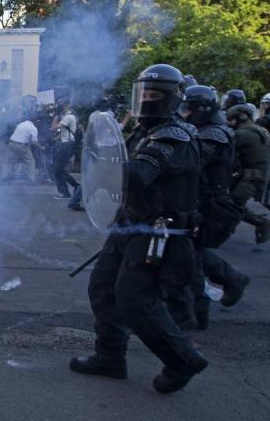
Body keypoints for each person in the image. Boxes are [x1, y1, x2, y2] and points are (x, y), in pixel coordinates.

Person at [71, 64, 208, 394]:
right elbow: (117, 165)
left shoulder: (174, 136)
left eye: (154, 95)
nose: (146, 100)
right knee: (102, 288)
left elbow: (136, 175)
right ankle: (109, 358)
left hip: (159, 232)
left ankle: (182, 359)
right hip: (130, 225)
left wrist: (99, 166)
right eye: (143, 93)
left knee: (135, 299)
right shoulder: (144, 132)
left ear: (172, 98)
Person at [165, 85, 248, 329]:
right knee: (191, 252)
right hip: (199, 200)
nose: (185, 114)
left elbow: (190, 163)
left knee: (189, 258)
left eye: (188, 109)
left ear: (202, 109)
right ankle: (232, 279)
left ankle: (196, 313)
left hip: (209, 204)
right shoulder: (210, 130)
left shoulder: (214, 135)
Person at [226, 103, 270, 244]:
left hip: (252, 176)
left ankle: (262, 222)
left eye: (231, 119)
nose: (229, 122)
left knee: (233, 204)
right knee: (234, 203)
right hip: (254, 175)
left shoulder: (243, 134)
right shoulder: (258, 130)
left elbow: (225, 154)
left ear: (241, 117)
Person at [50, 102, 78, 199]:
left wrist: (55, 118)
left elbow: (53, 128)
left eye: (62, 107)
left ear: (66, 107)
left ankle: (67, 192)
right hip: (67, 144)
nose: (61, 109)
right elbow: (65, 133)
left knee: (57, 169)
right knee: (58, 169)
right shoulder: (69, 117)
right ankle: (74, 188)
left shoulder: (68, 117)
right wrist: (56, 139)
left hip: (67, 145)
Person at [6, 113, 38, 181]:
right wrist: (41, 147)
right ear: (34, 121)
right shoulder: (33, 128)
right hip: (21, 146)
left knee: (8, 161)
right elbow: (34, 142)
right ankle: (31, 178)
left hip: (11, 143)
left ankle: (5, 176)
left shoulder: (21, 124)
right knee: (30, 161)